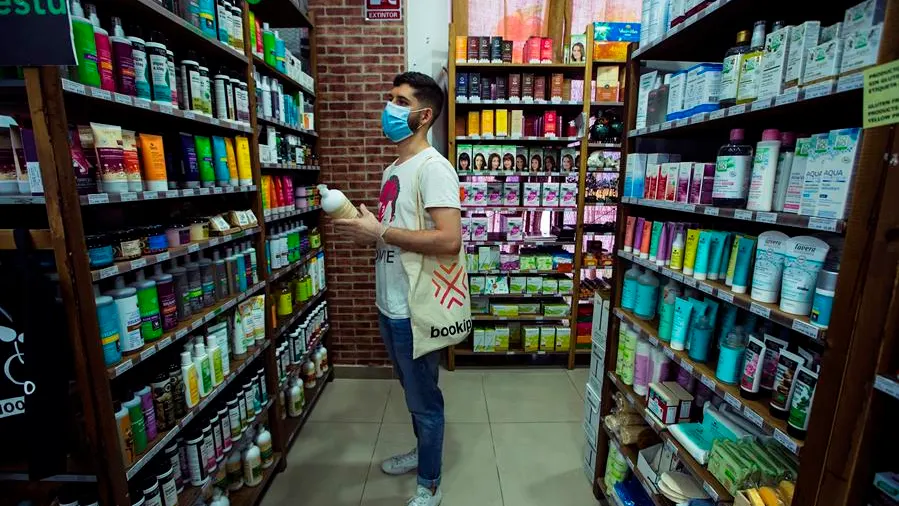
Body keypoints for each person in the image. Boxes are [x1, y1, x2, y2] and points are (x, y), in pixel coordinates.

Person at [333, 71, 460, 506]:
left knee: (425, 400)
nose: (388, 107)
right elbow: (392, 231)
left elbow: (449, 240)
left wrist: (381, 231)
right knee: (411, 392)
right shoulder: (395, 166)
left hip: (414, 309)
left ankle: (429, 484)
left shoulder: (434, 168)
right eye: (389, 98)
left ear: (423, 116)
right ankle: (421, 454)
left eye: (398, 100)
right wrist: (371, 229)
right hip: (389, 304)